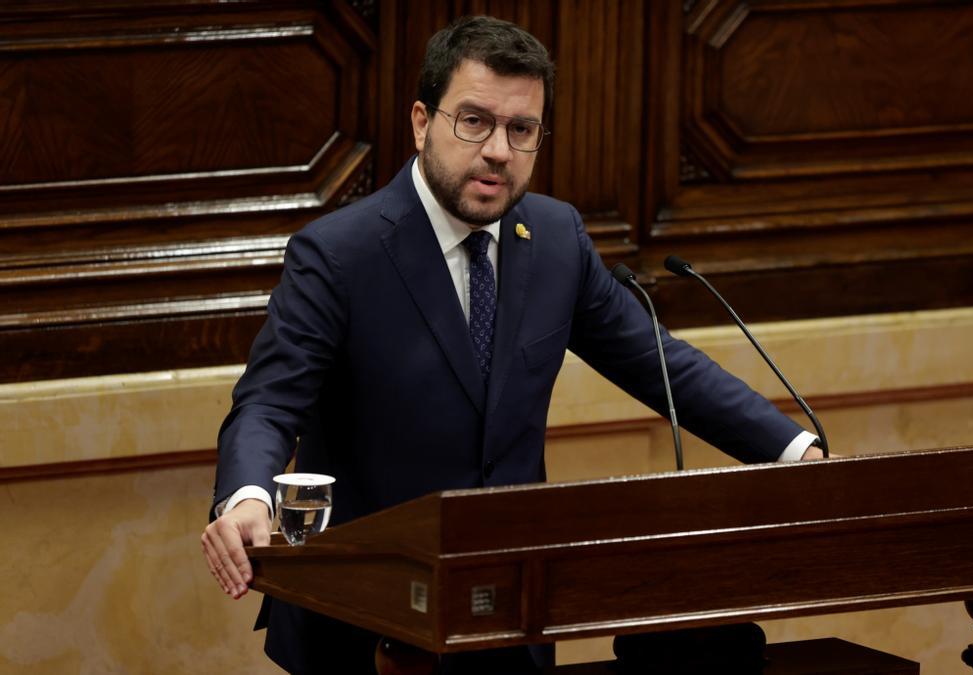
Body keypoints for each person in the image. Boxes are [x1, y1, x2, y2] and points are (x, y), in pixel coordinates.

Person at [201, 15, 822, 674]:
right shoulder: (339, 254)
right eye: (474, 121)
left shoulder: (555, 239)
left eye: (521, 130)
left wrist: (795, 452)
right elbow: (268, 403)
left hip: (512, 617)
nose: (498, 149)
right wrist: (246, 496)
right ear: (421, 122)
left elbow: (662, 364)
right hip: (366, 630)